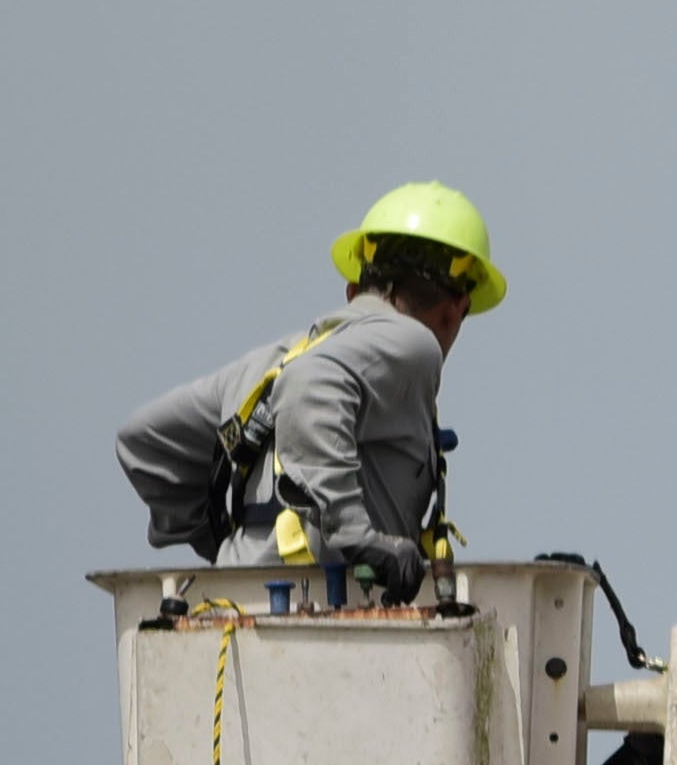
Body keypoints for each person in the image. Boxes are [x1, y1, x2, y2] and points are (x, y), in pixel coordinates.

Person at [117, 183, 502, 605]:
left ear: (354, 290)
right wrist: (354, 533)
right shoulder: (414, 343)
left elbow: (146, 441)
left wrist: (234, 553)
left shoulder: (269, 362)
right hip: (324, 623)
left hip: (231, 611)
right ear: (455, 308)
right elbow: (309, 387)